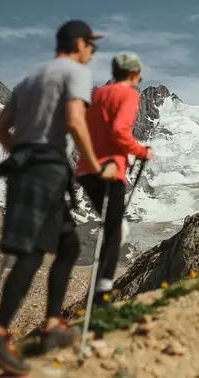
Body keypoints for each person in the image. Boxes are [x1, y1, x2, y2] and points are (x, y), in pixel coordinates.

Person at [0, 19, 106, 375]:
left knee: (67, 246)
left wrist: (23, 151)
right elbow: (76, 122)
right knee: (32, 254)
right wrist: (93, 166)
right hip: (47, 171)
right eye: (91, 45)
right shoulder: (76, 73)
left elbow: (0, 128)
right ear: (78, 44)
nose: (93, 51)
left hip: (26, 170)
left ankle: (50, 326)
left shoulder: (30, 79)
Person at [76, 51, 153, 308]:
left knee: (113, 228)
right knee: (116, 231)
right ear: (133, 74)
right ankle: (101, 295)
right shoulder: (129, 94)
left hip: (86, 170)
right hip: (111, 171)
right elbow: (120, 131)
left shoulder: (98, 95)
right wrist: (141, 152)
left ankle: (100, 291)